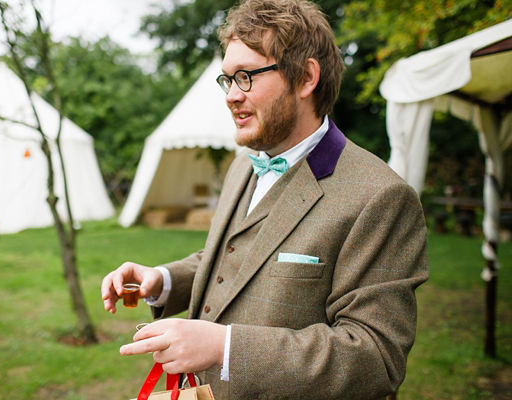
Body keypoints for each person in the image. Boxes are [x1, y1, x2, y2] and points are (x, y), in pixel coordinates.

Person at [101, 0, 429, 398]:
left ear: (306, 78)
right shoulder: (244, 165)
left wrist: (225, 348)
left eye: (246, 77)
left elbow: (375, 358)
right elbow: (238, 257)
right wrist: (165, 280)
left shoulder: (380, 196)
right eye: (227, 80)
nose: (231, 96)